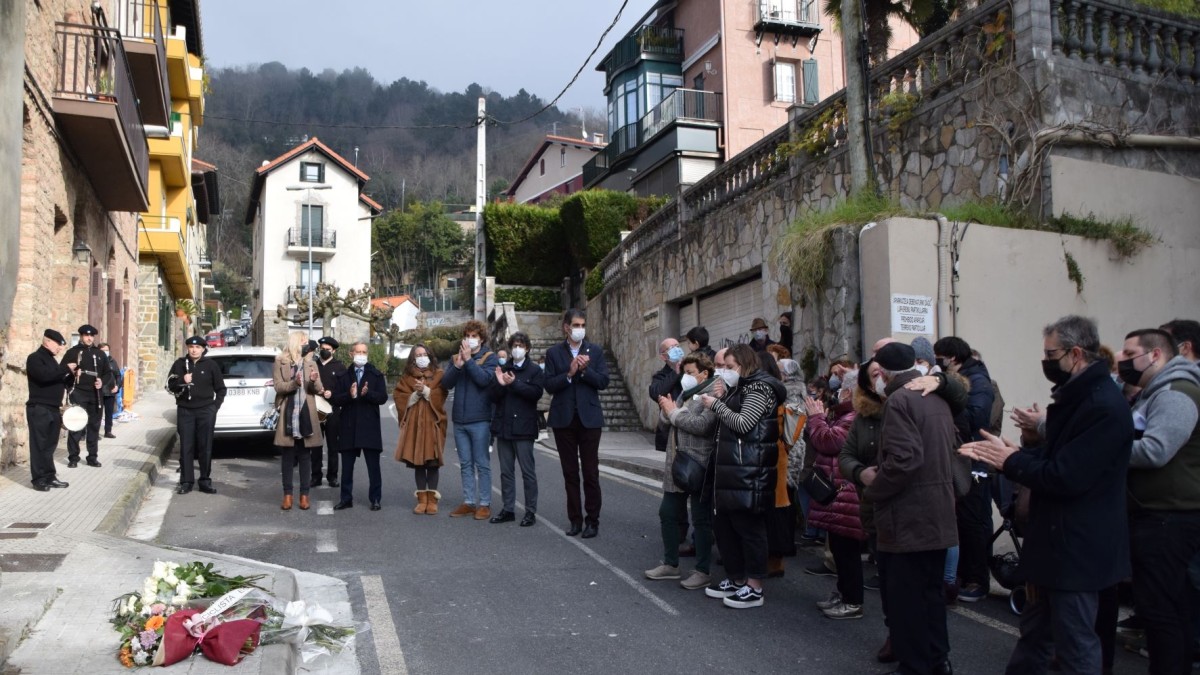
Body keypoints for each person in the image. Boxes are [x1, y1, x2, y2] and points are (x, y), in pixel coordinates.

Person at [961, 315, 1132, 675]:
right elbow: (1057, 458)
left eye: (1050, 354)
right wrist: (1015, 452)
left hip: (1077, 551)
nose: (1046, 362)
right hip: (1056, 546)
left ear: (1076, 353)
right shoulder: (1079, 398)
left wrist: (1012, 461)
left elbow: (1067, 476)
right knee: (1036, 637)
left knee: (1074, 645)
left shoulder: (1101, 405)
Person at [862, 342, 958, 675]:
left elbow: (904, 460)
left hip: (909, 515)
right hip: (937, 512)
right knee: (930, 594)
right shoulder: (935, 397)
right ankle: (936, 659)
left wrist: (875, 489)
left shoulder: (899, 401)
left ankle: (916, 664)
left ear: (884, 372)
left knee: (907, 598)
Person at [1118, 328, 1200, 675]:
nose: (1121, 360)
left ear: (1155, 356)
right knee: (1173, 606)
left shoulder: (1176, 392)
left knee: (1160, 611)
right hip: (1160, 515)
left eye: (1128, 353)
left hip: (1168, 518)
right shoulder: (1154, 392)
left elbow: (1155, 450)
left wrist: (1099, 449)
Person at [701, 343, 786, 609]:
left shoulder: (759, 388)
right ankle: (737, 578)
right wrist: (723, 397)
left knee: (749, 529)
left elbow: (743, 424)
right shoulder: (740, 388)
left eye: (730, 367)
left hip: (750, 471)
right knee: (726, 527)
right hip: (733, 469)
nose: (724, 371)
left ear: (745, 365)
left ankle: (754, 586)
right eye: (723, 367)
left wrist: (717, 405)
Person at [646, 351, 720, 590]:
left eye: (689, 373)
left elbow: (702, 425)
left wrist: (673, 412)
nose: (685, 377)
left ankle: (702, 570)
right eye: (684, 373)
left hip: (698, 464)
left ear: (704, 373)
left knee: (701, 518)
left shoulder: (713, 394)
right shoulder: (685, 393)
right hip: (677, 464)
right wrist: (667, 409)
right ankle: (670, 564)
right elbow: (666, 421)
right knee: (667, 512)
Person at [933, 335, 996, 604]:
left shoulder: (978, 383)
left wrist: (948, 398)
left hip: (974, 461)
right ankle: (960, 576)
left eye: (940, 357)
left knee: (973, 522)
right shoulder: (968, 378)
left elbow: (975, 419)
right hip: (959, 458)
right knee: (960, 521)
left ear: (953, 358)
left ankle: (977, 580)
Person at [544, 308, 610, 538]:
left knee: (591, 472)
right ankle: (575, 519)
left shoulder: (596, 351)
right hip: (564, 420)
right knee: (570, 473)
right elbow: (549, 385)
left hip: (589, 420)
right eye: (576, 325)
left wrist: (584, 371)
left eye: (583, 325)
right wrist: (570, 373)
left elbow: (603, 382)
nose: (580, 329)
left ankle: (593, 520)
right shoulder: (554, 353)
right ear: (566, 327)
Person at [804, 372, 862, 616]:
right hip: (838, 491)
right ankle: (844, 593)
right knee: (839, 548)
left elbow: (828, 442)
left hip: (846, 492)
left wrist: (816, 418)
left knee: (847, 552)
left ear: (848, 392)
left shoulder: (851, 417)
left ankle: (852, 600)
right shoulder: (843, 415)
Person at [440, 320, 499, 520]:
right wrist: (457, 366)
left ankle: (484, 503)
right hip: (460, 419)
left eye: (474, 336)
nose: (470, 339)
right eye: (467, 336)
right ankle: (469, 501)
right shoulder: (456, 358)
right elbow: (446, 384)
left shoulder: (489, 358)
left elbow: (484, 380)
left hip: (480, 419)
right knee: (465, 463)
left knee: (482, 462)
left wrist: (469, 361)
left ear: (481, 338)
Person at [488, 332, 544, 526]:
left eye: (521, 345)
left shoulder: (535, 370)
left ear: (527, 348)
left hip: (524, 428)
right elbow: (493, 396)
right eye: (514, 345)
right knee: (506, 471)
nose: (517, 349)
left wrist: (515, 384)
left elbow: (536, 393)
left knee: (527, 472)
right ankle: (508, 509)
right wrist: (502, 384)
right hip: (504, 427)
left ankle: (530, 511)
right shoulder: (503, 368)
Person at [332, 341, 389, 511]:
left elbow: (383, 398)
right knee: (347, 467)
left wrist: (367, 394)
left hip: (369, 426)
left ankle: (376, 498)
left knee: (373, 466)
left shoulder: (376, 375)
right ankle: (346, 498)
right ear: (351, 354)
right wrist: (349, 395)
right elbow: (335, 399)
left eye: (364, 352)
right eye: (358, 352)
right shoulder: (343, 376)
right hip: (348, 425)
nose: (361, 355)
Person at [272, 331, 325, 511]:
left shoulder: (311, 363)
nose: (306, 344)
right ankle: (287, 495)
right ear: (295, 343)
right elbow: (278, 387)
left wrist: (314, 381)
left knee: (304, 456)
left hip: (305, 413)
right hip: (289, 412)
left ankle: (304, 496)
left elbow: (318, 389)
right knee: (287, 456)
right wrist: (294, 383)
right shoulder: (281, 361)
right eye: (303, 341)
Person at [166, 336, 225, 495]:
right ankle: (186, 481)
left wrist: (214, 407)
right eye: (191, 347)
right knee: (186, 446)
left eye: (198, 347)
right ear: (187, 348)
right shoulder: (179, 364)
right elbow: (169, 387)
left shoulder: (211, 365)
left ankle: (205, 480)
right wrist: (181, 382)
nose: (194, 350)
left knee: (205, 446)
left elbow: (221, 389)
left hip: (206, 410)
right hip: (185, 410)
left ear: (203, 349)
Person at [394, 343, 448, 515]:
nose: (421, 357)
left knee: (432, 462)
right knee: (418, 463)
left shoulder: (439, 374)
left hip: (433, 424)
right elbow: (398, 396)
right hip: (415, 426)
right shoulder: (407, 377)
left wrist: (426, 391)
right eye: (418, 355)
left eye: (424, 353)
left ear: (430, 356)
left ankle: (432, 501)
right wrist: (413, 395)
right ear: (413, 358)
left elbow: (442, 395)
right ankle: (421, 500)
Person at [24, 329, 73, 491]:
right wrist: (65, 369)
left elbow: (59, 380)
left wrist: (71, 375)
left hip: (53, 408)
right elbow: (44, 376)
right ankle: (38, 479)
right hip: (39, 408)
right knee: (39, 445)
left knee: (50, 445)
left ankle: (50, 476)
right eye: (58, 344)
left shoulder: (52, 361)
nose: (60, 348)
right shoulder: (35, 358)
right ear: (48, 341)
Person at [62, 324, 110, 468]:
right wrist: (71, 373)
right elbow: (62, 372)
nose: (89, 338)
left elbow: (108, 373)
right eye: (86, 336)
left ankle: (92, 457)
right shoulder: (72, 352)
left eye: (91, 336)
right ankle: (73, 457)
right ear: (81, 336)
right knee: (76, 425)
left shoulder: (100, 354)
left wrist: (102, 382)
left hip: (95, 395)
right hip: (79, 393)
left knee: (94, 427)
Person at [314, 336, 346, 488]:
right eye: (322, 349)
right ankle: (315, 476)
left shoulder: (339, 367)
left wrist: (332, 394)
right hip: (316, 410)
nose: (324, 351)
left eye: (327, 349)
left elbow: (345, 391)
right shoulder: (313, 365)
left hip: (333, 411)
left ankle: (332, 476)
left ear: (333, 350)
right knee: (316, 445)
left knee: (333, 446)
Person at [97, 342, 120, 439]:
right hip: (99, 391)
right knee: (97, 413)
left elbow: (118, 375)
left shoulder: (112, 362)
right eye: (103, 350)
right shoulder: (96, 362)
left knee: (109, 413)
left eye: (107, 350)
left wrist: (117, 386)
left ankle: (108, 431)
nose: (105, 352)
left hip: (110, 391)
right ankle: (95, 432)